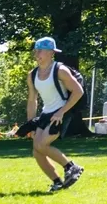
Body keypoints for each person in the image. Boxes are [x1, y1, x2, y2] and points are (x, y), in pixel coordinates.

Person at [24, 37, 84, 192]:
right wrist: (31, 125)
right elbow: (32, 100)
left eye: (40, 51)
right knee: (37, 150)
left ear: (51, 53)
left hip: (61, 111)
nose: (37, 54)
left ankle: (71, 167)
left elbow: (78, 91)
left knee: (41, 145)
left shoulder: (60, 70)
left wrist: (61, 112)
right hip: (46, 113)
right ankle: (57, 182)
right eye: (36, 50)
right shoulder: (32, 75)